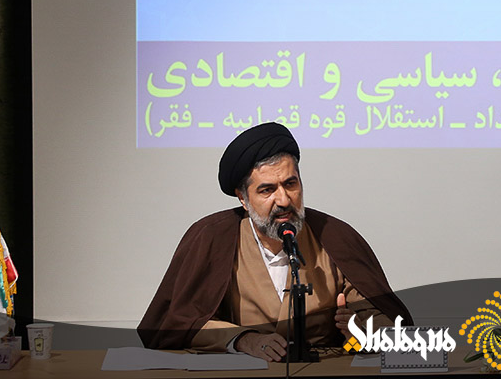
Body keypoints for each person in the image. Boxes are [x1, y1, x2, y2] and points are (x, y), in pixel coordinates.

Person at [138, 122, 411, 360]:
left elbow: (381, 318)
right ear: (243, 198)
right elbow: (181, 323)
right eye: (267, 190)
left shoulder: (334, 237)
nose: (283, 200)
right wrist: (243, 340)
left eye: (291, 184)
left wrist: (364, 332)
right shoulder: (212, 238)